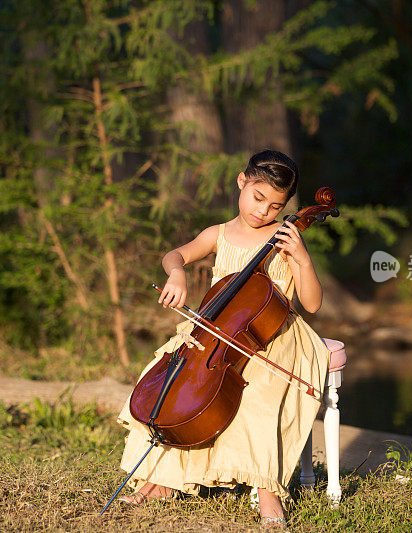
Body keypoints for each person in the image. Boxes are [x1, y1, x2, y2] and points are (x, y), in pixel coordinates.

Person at [115, 149, 331, 528]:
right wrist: (177, 274)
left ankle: (267, 493)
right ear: (241, 182)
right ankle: (160, 480)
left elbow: (312, 303)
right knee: (167, 383)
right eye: (257, 198)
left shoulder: (286, 239)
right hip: (215, 332)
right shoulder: (218, 234)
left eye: (274, 206)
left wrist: (302, 258)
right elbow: (174, 255)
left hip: (273, 338)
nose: (263, 212)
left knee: (259, 394)